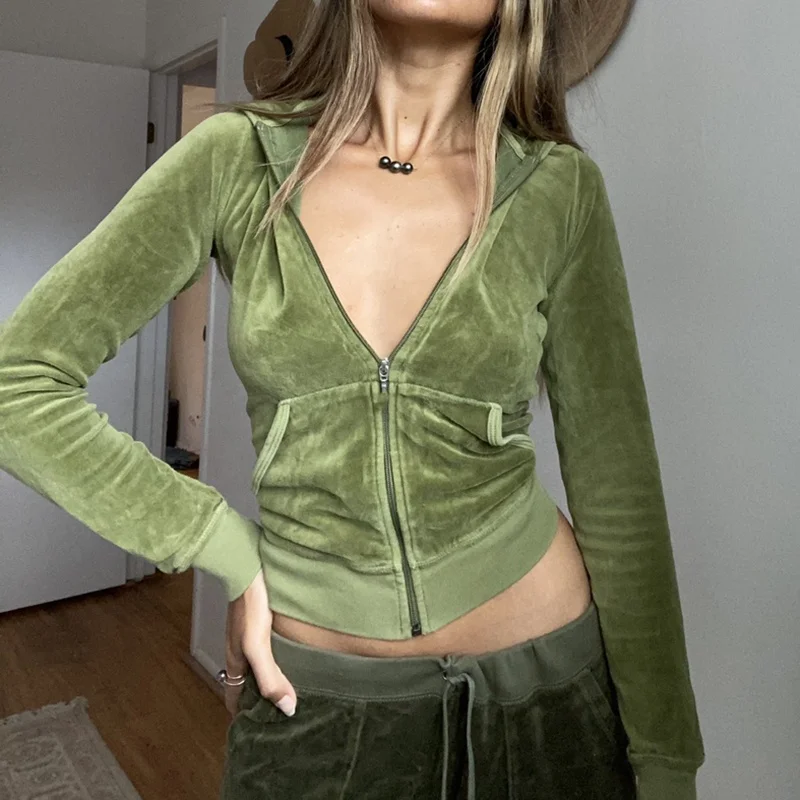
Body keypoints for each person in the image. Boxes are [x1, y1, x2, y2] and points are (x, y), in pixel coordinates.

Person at [0, 1, 705, 798]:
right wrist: (216, 539)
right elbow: (18, 381)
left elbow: (619, 484)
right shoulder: (236, 159)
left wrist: (665, 760)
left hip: (546, 695)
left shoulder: (558, 188)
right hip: (318, 705)